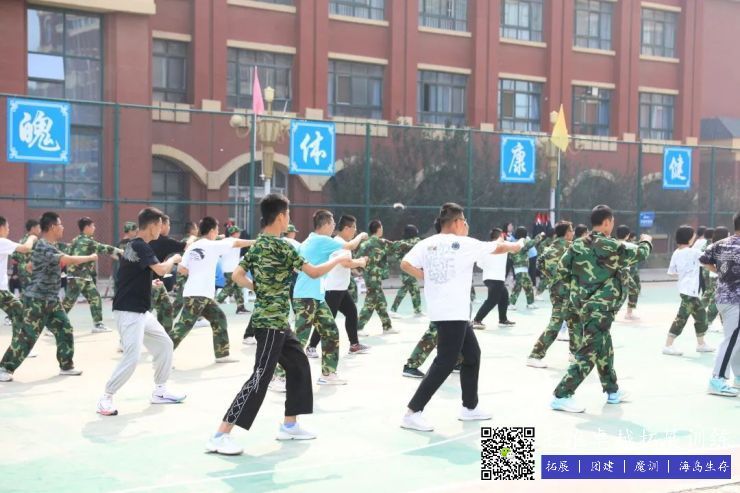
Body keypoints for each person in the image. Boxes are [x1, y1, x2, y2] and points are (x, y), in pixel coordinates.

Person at [206, 194, 348, 456]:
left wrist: (258, 288)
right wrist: (338, 259)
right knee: (260, 377)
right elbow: (314, 272)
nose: (289, 218)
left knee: (299, 365)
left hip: (278, 322)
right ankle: (220, 435)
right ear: (281, 216)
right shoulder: (284, 247)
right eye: (289, 214)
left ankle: (290, 425)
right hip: (271, 324)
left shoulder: (258, 245)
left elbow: (237, 275)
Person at [399, 203, 523, 431]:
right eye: (464, 221)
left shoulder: (426, 243)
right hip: (452, 312)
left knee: (472, 355)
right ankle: (412, 412)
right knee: (445, 362)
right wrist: (516, 246)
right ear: (456, 222)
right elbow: (498, 247)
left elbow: (405, 264)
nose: (466, 225)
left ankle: (469, 407)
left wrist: (427, 276)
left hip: (448, 312)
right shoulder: (465, 244)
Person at [550, 205, 652, 413]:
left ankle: (612, 391)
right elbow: (640, 254)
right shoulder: (609, 245)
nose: (612, 225)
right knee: (589, 353)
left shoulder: (577, 245)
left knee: (604, 348)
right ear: (606, 222)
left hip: (583, 305)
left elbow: (561, 271)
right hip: (600, 307)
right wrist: (646, 240)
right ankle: (561, 395)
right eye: (612, 222)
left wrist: (576, 293)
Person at [96, 207, 185, 416]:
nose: (161, 230)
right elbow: (161, 269)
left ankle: (160, 391)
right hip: (129, 311)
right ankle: (106, 397)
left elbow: (134, 274)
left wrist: (149, 282)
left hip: (141, 311)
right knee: (132, 356)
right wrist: (174, 259)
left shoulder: (135, 245)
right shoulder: (139, 245)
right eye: (160, 225)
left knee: (165, 344)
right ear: (153, 225)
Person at [0, 212, 97, 382]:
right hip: (38, 300)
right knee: (28, 336)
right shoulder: (45, 246)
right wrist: (90, 257)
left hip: (51, 299)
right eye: (60, 225)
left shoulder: (47, 245)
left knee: (65, 329)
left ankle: (66, 366)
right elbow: (66, 259)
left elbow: (30, 266)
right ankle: (4, 367)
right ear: (52, 227)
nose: (62, 227)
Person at [292, 210, 367, 385]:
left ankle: (328, 374)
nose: (334, 227)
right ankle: (279, 376)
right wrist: (362, 236)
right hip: (306, 297)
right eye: (332, 224)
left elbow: (297, 267)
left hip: (316, 297)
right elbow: (351, 246)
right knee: (299, 339)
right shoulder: (322, 240)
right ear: (325, 224)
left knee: (331, 331)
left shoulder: (308, 240)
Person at [169, 217, 253, 363]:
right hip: (199, 294)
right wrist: (257, 241)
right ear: (212, 230)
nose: (218, 232)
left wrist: (196, 273)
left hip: (198, 293)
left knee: (219, 318)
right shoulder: (212, 245)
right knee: (183, 327)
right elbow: (237, 242)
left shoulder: (193, 246)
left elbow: (181, 268)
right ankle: (162, 356)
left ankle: (222, 355)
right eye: (217, 230)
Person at [307, 214, 371, 357]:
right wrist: (360, 262)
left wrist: (356, 269)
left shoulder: (342, 243)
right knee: (327, 319)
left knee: (351, 312)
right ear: (347, 228)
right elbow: (345, 263)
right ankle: (311, 347)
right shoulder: (337, 243)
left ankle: (354, 345)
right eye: (354, 228)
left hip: (341, 289)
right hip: (333, 290)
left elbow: (346, 265)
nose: (355, 231)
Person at [527, 221, 580, 368]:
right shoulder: (571, 247)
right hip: (567, 290)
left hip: (556, 289)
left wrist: (552, 277)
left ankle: (575, 354)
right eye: (571, 230)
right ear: (567, 233)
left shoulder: (550, 247)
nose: (573, 233)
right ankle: (535, 355)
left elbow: (539, 263)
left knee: (575, 320)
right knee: (557, 323)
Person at [700, 212, 740, 397]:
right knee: (731, 340)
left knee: (736, 339)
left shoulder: (720, 244)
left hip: (722, 298)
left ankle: (738, 377)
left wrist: (720, 272)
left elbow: (704, 261)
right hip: (736, 301)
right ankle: (717, 380)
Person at [62, 217, 122, 332]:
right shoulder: (87, 241)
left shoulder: (76, 240)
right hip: (78, 276)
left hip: (83, 276)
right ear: (87, 227)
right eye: (93, 226)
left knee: (95, 297)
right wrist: (120, 251)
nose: (94, 228)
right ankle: (52, 326)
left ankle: (98, 324)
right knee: (69, 301)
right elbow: (103, 248)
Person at [663, 225, 715, 356]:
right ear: (689, 238)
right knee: (681, 318)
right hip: (689, 292)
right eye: (693, 236)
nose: (694, 238)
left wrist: (684, 272)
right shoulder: (694, 252)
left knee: (701, 316)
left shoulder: (676, 252)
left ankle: (701, 344)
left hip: (686, 290)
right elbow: (707, 261)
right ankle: (668, 345)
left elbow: (671, 272)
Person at [148, 215, 187, 334]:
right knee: (143, 312)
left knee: (167, 309)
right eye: (168, 225)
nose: (169, 227)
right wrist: (193, 238)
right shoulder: (164, 241)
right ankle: (126, 340)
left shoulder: (153, 240)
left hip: (158, 282)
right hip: (148, 283)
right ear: (162, 225)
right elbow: (185, 246)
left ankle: (164, 336)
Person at [0, 217, 36, 344]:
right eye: (7, 227)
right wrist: (31, 237)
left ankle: (19, 346)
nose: (8, 230)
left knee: (18, 312)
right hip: (1, 290)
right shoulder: (2, 241)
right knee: (19, 311)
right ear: (1, 228)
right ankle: (19, 347)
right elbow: (25, 248)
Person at [471, 228, 515, 330]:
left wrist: (489, 268)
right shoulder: (504, 245)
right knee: (492, 300)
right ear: (501, 236)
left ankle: (503, 320)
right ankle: (476, 320)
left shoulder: (486, 247)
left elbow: (479, 263)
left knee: (504, 295)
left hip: (489, 278)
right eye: (503, 235)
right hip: (496, 278)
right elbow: (516, 247)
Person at [357, 219, 396, 334]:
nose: (382, 229)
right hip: (374, 277)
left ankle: (387, 326)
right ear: (378, 229)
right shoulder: (381, 243)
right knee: (371, 301)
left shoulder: (364, 244)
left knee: (381, 302)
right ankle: (358, 327)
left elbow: (358, 259)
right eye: (381, 227)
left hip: (369, 276)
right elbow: (395, 248)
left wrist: (362, 270)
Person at [508, 227, 546, 310]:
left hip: (519, 269)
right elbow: (532, 243)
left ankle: (528, 303)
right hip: (522, 269)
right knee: (523, 286)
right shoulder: (522, 242)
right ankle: (512, 303)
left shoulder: (515, 243)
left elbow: (511, 256)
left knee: (524, 286)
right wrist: (541, 235)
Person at [390, 225, 423, 317]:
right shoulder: (416, 240)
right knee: (405, 289)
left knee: (414, 289)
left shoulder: (401, 243)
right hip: (411, 269)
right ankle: (393, 310)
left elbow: (397, 256)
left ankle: (417, 310)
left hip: (405, 268)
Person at [215, 225, 249, 314]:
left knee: (238, 287)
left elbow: (214, 240)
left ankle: (240, 307)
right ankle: (213, 305)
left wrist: (219, 237)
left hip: (227, 268)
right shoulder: (237, 241)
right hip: (232, 269)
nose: (240, 234)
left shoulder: (224, 240)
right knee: (228, 288)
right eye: (238, 232)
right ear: (235, 233)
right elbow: (247, 243)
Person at [614, 225, 641, 321]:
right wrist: (645, 241)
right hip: (623, 272)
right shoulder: (631, 246)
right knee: (624, 294)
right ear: (627, 235)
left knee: (633, 290)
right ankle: (612, 313)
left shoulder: (611, 244)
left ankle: (629, 313)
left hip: (611, 271)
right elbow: (643, 251)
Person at [703, 228, 727, 328]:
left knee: (719, 300)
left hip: (716, 276)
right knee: (717, 300)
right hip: (718, 277)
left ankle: (723, 323)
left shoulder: (711, 246)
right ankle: (707, 322)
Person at [10, 219, 40, 296]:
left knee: (26, 295)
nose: (40, 230)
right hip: (30, 272)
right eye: (38, 227)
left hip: (22, 272)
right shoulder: (33, 241)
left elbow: (15, 257)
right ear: (33, 228)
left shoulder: (22, 240)